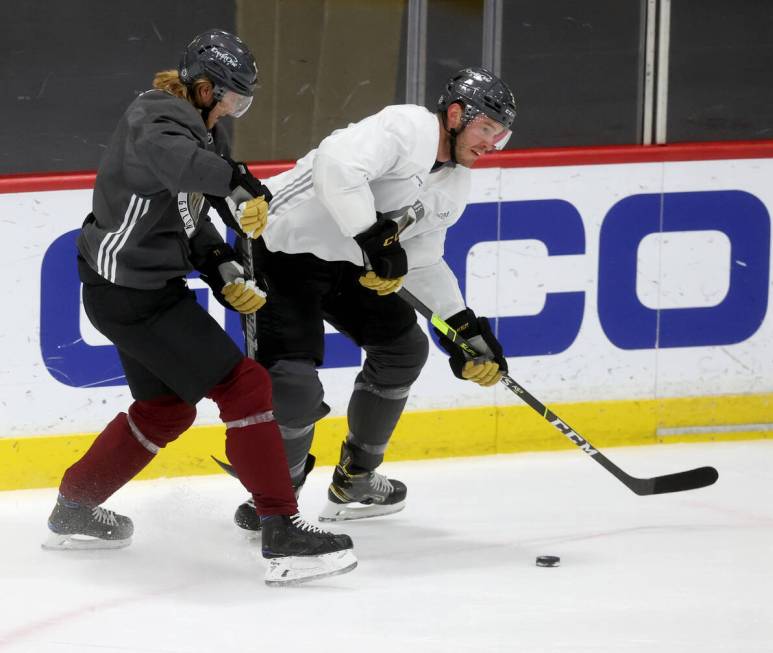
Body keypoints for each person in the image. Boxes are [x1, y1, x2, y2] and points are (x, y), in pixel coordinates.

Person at [42, 29, 356, 586]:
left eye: (245, 101)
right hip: (131, 294)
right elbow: (185, 167)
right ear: (204, 88)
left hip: (135, 290)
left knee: (166, 411)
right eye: (232, 97)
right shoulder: (156, 119)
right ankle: (281, 530)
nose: (235, 108)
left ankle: (75, 508)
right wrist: (239, 184)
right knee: (246, 386)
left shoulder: (197, 131)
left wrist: (220, 266)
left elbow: (189, 217)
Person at [231, 66, 515, 529]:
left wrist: (462, 326)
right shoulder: (406, 128)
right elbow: (336, 167)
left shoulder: (454, 184)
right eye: (486, 129)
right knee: (293, 389)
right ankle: (279, 491)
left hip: (350, 261)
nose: (490, 144)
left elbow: (419, 259)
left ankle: (356, 477)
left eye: (500, 137)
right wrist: (372, 238)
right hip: (281, 249)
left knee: (404, 351)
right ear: (457, 114)